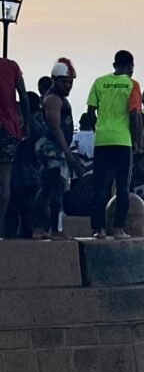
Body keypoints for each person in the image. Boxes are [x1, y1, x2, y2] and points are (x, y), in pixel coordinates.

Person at [87, 49, 142, 241]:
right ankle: (118, 229)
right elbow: (135, 114)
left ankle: (98, 229)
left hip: (102, 140)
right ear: (130, 67)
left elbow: (90, 111)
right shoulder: (132, 85)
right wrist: (136, 140)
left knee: (100, 187)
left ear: (113, 65)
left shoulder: (99, 82)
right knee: (122, 187)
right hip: (122, 140)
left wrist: (99, 129)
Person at [35, 61, 81, 240]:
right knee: (56, 187)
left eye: (70, 82)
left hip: (53, 148)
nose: (68, 86)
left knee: (47, 188)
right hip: (52, 149)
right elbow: (55, 127)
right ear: (55, 80)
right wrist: (67, 152)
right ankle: (56, 229)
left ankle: (39, 228)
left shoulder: (58, 98)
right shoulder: (53, 99)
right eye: (64, 82)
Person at [0, 52, 29, 238]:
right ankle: (1, 225)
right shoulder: (12, 67)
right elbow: (24, 97)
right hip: (8, 128)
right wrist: (26, 122)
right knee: (5, 180)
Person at [4, 91, 41, 239]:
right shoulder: (38, 126)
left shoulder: (13, 125)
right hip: (32, 175)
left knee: (12, 212)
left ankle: (10, 241)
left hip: (14, 175)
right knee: (27, 214)